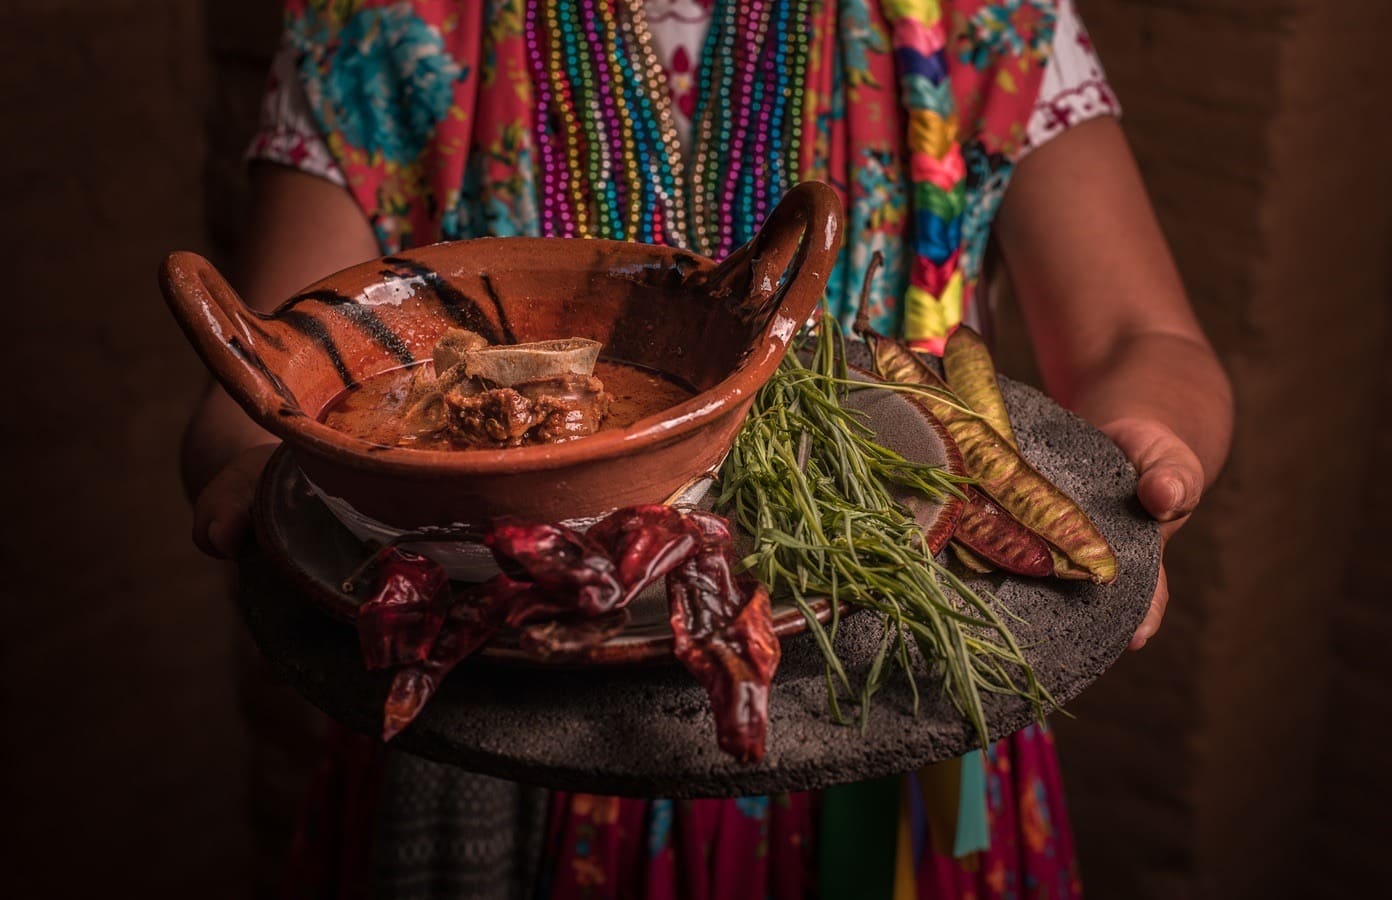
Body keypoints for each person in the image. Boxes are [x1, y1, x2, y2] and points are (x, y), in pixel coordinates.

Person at [183, 1, 1233, 897]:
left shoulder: (975, 20)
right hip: (491, 710)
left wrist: (1143, 444)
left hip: (888, 695)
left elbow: (1142, 339)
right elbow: (271, 373)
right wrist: (252, 464)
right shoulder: (388, 21)